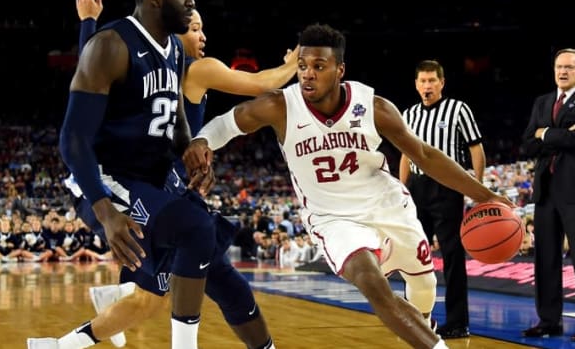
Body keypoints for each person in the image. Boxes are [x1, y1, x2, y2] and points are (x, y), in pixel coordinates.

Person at [183, 23, 514, 349]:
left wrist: (485, 194)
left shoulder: (373, 107)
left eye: (318, 66)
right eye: (302, 66)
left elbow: (425, 155)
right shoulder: (281, 106)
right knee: (374, 285)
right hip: (332, 218)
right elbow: (228, 122)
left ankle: (423, 325)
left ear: (340, 70)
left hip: (386, 204)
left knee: (424, 284)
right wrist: (201, 140)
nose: (307, 74)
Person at [28, 0, 298, 349]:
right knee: (176, 271)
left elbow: (94, 68)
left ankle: (66, 339)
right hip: (138, 182)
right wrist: (293, 65)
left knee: (172, 292)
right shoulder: (197, 69)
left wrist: (88, 23)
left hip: (166, 183)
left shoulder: (159, 69)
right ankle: (128, 300)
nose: (203, 35)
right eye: (196, 28)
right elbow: (259, 83)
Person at [41, 0, 234, 349]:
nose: (191, 2)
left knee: (155, 289)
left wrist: (189, 148)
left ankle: (62, 345)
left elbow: (175, 117)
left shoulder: (175, 52)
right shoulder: (111, 44)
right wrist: (104, 209)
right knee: (196, 230)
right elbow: (72, 139)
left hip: (152, 178)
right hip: (109, 179)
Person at [520, 48, 575, 341]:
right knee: (545, 258)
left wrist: (546, 134)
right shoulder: (542, 102)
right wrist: (557, 135)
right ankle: (548, 321)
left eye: (569, 67)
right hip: (546, 189)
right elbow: (527, 145)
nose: (562, 72)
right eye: (558, 67)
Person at [398, 59, 485, 339]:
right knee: (414, 256)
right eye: (422, 81)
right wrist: (402, 190)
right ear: (415, 84)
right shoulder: (409, 114)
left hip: (448, 186)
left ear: (442, 83)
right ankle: (417, 318)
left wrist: (477, 186)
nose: (427, 86)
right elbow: (404, 155)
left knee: (452, 255)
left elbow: (476, 148)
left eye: (432, 81)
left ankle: (458, 322)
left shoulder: (458, 109)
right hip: (418, 186)